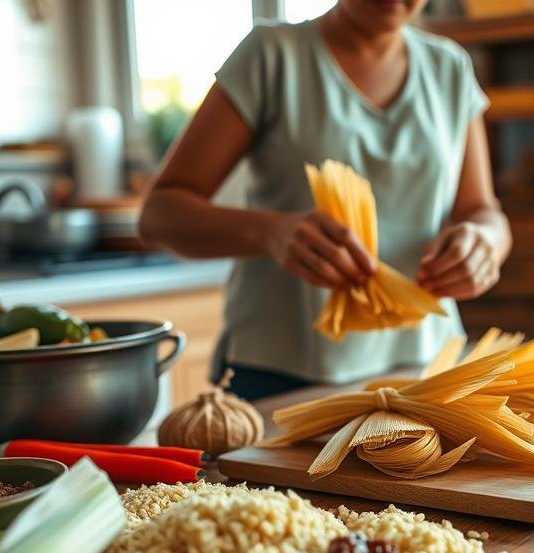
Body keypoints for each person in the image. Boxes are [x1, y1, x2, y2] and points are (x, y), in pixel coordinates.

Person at [139, 0, 511, 400]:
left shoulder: (449, 68)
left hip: (426, 365)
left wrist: (484, 240)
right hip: (278, 373)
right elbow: (159, 215)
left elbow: (482, 210)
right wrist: (272, 233)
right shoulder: (272, 55)